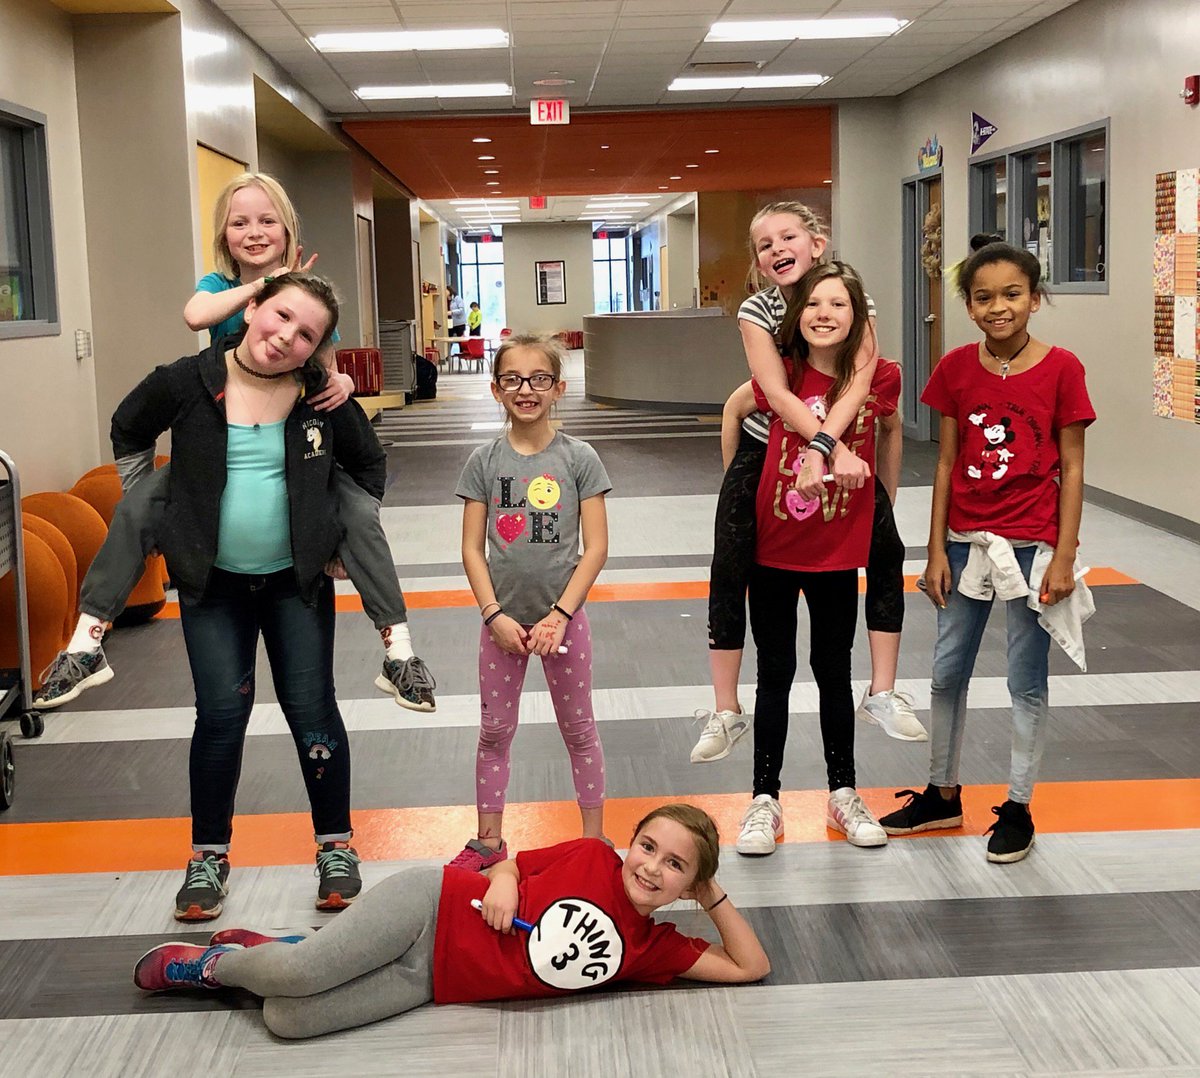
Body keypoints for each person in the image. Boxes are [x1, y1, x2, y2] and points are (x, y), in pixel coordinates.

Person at [34, 172, 436, 714]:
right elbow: (195, 316)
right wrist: (266, 286)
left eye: (267, 221)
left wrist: (340, 384)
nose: (254, 231)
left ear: (289, 230)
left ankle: (399, 650)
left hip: (293, 453)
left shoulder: (309, 303)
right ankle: (88, 643)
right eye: (239, 222)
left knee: (360, 517)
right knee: (137, 510)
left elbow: (327, 376)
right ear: (224, 235)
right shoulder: (223, 289)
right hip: (215, 451)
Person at [109, 273, 382, 919]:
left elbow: (368, 464)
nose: (285, 336)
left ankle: (335, 847)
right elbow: (128, 427)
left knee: (313, 713)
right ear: (253, 307)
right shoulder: (189, 380)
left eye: (306, 334)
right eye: (280, 316)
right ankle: (208, 857)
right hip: (213, 589)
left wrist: (346, 539)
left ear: (317, 349)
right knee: (220, 719)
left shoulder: (321, 397)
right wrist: (146, 509)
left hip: (298, 586)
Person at [132, 804, 770, 1040]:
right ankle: (210, 967)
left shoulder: (656, 949)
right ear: (629, 843)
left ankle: (275, 950)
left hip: (432, 981)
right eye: (649, 847)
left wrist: (714, 895)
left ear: (690, 885)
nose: (653, 867)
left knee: (287, 1019)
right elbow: (513, 863)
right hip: (433, 906)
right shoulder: (592, 856)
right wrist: (502, 883)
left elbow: (750, 967)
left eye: (677, 867)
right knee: (297, 977)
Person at [880, 242, 1095, 864]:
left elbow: (1074, 467)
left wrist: (1062, 552)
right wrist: (934, 549)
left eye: (1012, 294)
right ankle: (942, 792)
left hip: (1033, 543)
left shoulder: (1062, 368)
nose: (998, 307)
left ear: (1035, 296)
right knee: (948, 672)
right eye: (983, 297)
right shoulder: (954, 368)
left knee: (1026, 679)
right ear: (968, 305)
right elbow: (945, 461)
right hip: (964, 541)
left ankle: (1020, 806)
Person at [692, 202, 924, 768]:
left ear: (816, 244)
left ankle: (884, 690)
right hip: (766, 443)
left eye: (787, 236)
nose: (776, 248)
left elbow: (859, 382)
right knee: (731, 561)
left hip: (833, 443)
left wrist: (835, 457)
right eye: (764, 243)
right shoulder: (758, 308)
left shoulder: (848, 295)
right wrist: (824, 449)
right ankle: (726, 707)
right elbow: (770, 393)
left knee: (887, 548)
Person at [737, 262, 901, 855]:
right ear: (795, 315)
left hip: (837, 548)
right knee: (774, 672)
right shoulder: (780, 374)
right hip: (774, 546)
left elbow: (890, 435)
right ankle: (765, 801)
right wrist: (736, 501)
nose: (824, 313)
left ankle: (843, 791)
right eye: (813, 304)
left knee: (834, 670)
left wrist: (884, 510)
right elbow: (738, 418)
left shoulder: (878, 377)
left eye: (839, 304)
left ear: (859, 317)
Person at [451, 334, 611, 871]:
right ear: (496, 389)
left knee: (579, 729)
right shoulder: (483, 461)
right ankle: (488, 841)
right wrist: (493, 615)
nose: (526, 389)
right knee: (495, 731)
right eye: (513, 380)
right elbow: (473, 548)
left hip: (564, 624)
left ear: (558, 388)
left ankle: (593, 841)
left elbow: (596, 549)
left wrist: (561, 616)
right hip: (503, 627)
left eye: (539, 379)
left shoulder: (579, 458)